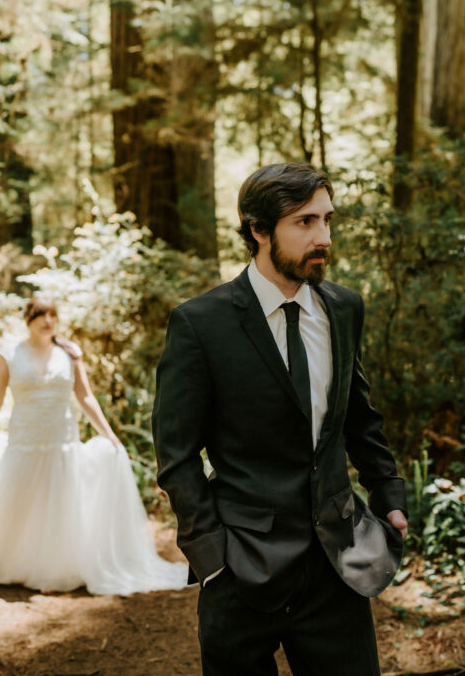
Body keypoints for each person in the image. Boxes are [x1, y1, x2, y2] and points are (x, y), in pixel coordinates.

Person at [152, 162, 408, 675]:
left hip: (339, 563)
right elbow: (177, 455)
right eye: (305, 222)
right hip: (242, 568)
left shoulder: (344, 308)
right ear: (259, 230)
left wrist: (388, 494)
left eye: (327, 220)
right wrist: (212, 557)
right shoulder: (201, 324)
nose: (324, 237)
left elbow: (358, 414)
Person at [0, 296, 187, 595]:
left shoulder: (70, 354)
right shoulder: (10, 355)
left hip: (61, 442)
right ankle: (14, 562)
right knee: (19, 503)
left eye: (53, 315)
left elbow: (84, 396)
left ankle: (55, 569)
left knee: (60, 505)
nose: (48, 321)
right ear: (27, 321)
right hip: (24, 441)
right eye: (41, 315)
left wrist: (109, 433)